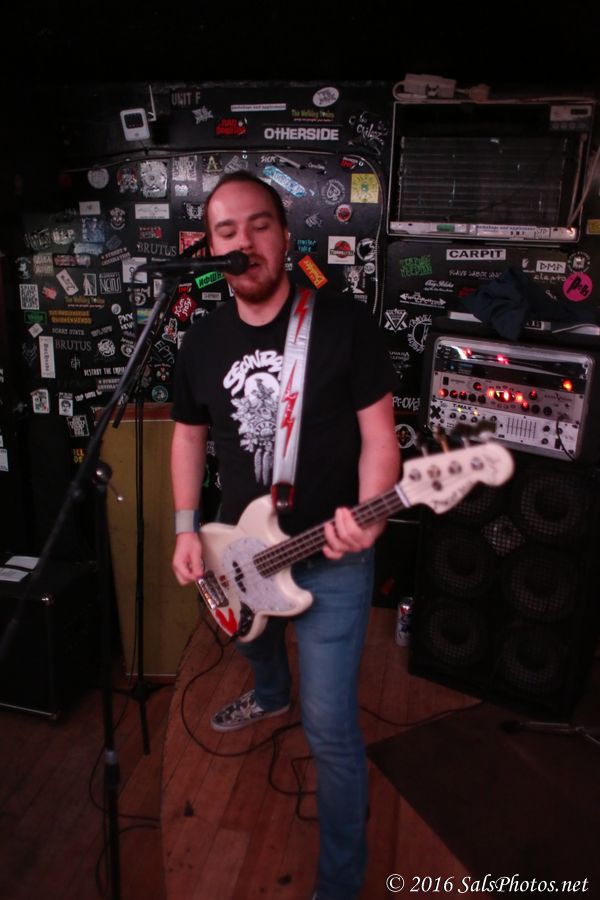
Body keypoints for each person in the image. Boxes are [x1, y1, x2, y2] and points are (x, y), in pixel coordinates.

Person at [170, 170, 400, 900]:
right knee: (249, 634)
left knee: (330, 729)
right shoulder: (201, 339)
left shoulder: (343, 322)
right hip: (238, 546)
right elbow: (187, 436)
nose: (244, 241)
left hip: (329, 558)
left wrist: (371, 516)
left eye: (258, 225)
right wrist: (184, 528)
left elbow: (380, 437)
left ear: (284, 233)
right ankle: (270, 693)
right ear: (212, 249)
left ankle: (340, 883)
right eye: (227, 232)